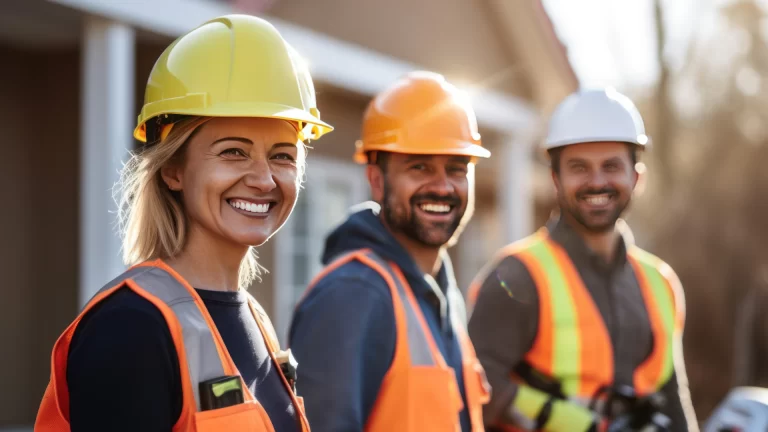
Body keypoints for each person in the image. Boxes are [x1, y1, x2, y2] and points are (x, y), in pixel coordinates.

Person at [34, 14, 332, 432]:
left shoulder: (254, 319)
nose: (264, 179)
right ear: (173, 170)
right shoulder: (131, 327)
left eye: (283, 155)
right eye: (233, 152)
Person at [467, 88, 699, 431]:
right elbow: (472, 391)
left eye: (611, 166)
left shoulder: (661, 283)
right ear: (555, 178)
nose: (597, 181)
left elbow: (674, 402)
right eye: (579, 167)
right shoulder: (517, 276)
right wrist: (566, 422)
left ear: (637, 177)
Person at [287, 71, 491, 432]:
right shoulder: (353, 294)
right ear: (377, 180)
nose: (442, 187)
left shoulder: (444, 293)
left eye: (456, 169)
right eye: (420, 168)